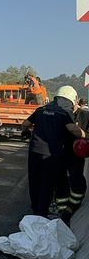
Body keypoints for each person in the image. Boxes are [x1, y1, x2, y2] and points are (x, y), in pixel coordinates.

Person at [22, 86, 85, 223]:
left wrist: (27, 132)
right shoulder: (64, 112)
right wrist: (85, 135)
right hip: (50, 154)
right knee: (47, 183)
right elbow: (73, 130)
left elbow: (25, 123)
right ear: (70, 100)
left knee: (34, 181)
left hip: (34, 151)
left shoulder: (40, 109)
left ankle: (34, 209)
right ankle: (41, 213)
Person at [66, 97, 89, 214]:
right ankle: (64, 208)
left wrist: (83, 136)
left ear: (76, 102)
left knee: (76, 180)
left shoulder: (85, 115)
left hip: (77, 155)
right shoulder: (63, 115)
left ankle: (72, 208)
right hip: (63, 154)